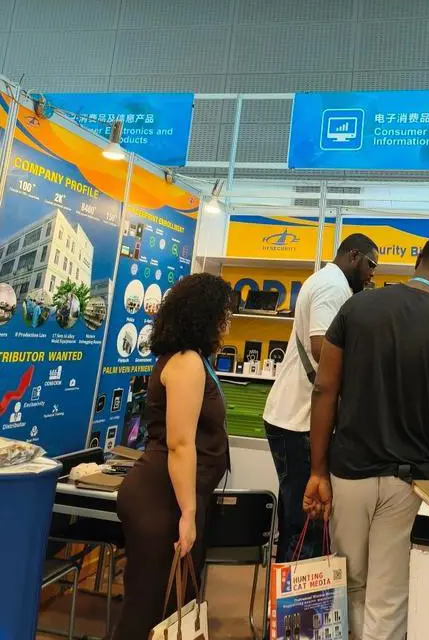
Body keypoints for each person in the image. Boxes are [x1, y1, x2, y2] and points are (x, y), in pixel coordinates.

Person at [304, 235, 429, 640]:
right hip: (407, 480)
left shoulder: (357, 307)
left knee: (346, 579)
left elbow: (324, 389)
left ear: (417, 261)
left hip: (349, 471)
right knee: (388, 595)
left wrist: (317, 470)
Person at [112, 273, 235, 640]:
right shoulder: (186, 362)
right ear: (205, 315)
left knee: (169, 611)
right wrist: (188, 513)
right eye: (224, 314)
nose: (227, 323)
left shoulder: (190, 359)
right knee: (147, 611)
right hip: (163, 499)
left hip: (174, 497)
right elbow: (180, 444)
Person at [263, 233, 379, 562]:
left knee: (299, 521)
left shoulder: (327, 281)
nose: (372, 274)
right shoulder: (333, 286)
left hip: (294, 417)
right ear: (353, 256)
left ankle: (289, 590)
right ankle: (295, 594)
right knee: (307, 523)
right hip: (298, 420)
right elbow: (321, 349)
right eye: (371, 264)